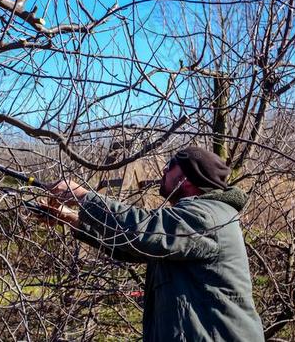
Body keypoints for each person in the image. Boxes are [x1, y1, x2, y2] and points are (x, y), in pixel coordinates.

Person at [44, 146, 264, 342]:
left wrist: (83, 197)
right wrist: (72, 217)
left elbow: (143, 230)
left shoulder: (208, 217)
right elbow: (134, 246)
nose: (163, 171)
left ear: (186, 177)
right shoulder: (196, 219)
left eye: (170, 165)